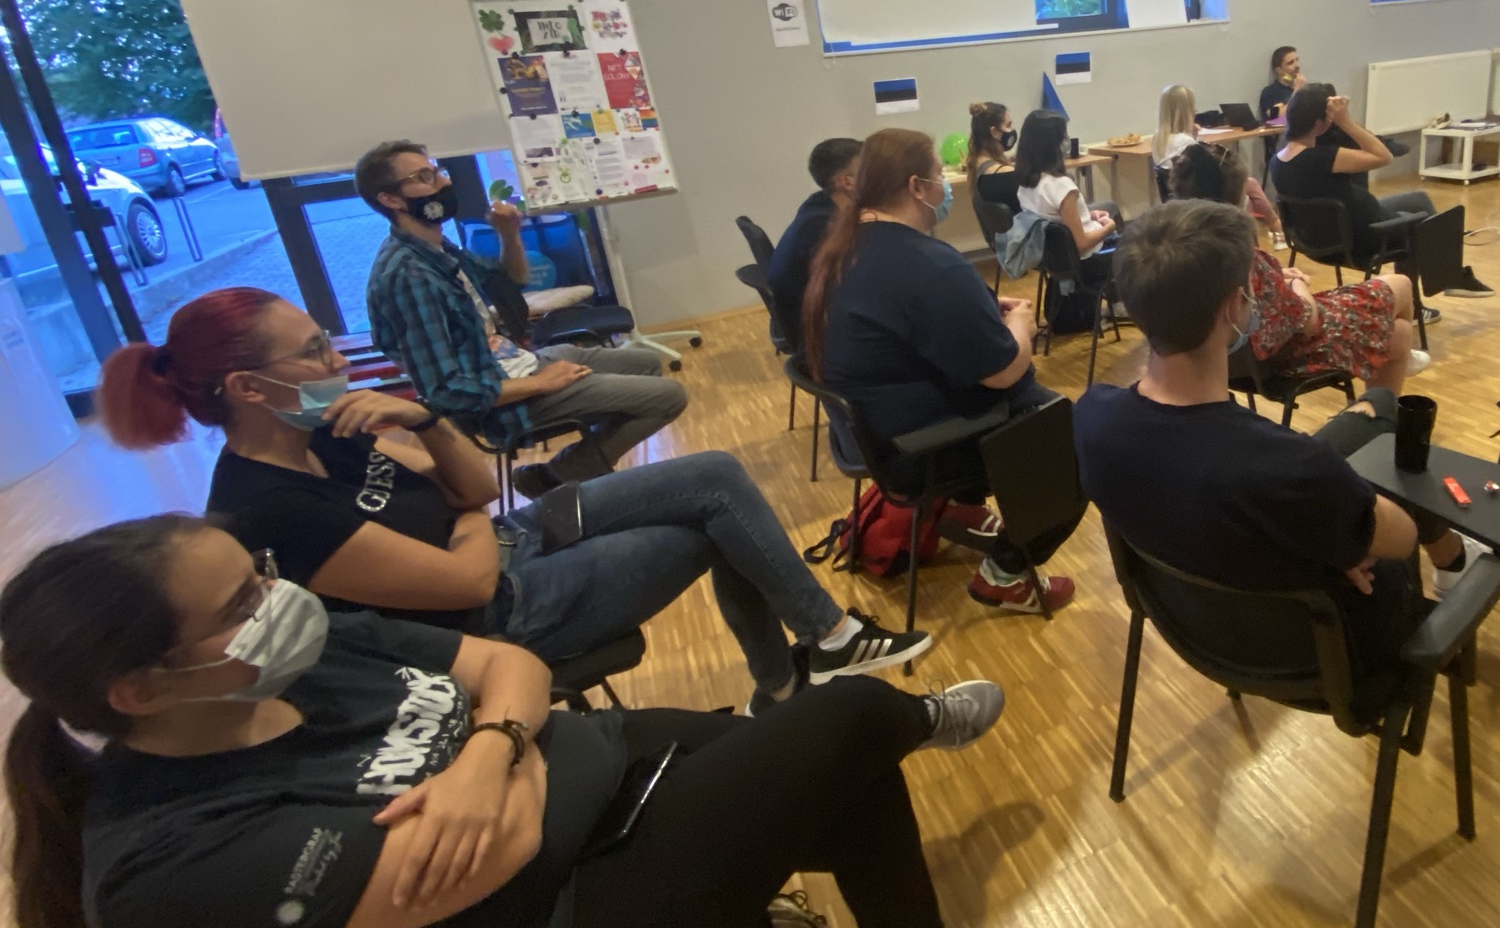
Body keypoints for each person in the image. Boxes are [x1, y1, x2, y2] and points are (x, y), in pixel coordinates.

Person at [0, 518, 1043, 928]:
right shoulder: (164, 869)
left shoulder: (295, 660)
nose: (277, 602)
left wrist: (489, 753)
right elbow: (495, 858)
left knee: (839, 759)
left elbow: (511, 667)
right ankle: (911, 735)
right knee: (847, 717)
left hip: (586, 803)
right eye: (240, 604)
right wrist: (515, 749)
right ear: (139, 689)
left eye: (260, 573)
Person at [97, 288, 926, 710]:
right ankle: (791, 677)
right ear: (247, 387)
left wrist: (426, 422)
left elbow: (465, 486)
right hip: (498, 613)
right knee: (720, 528)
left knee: (713, 477)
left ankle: (821, 646)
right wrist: (462, 511)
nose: (337, 362)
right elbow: (465, 583)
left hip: (510, 540)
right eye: (315, 351)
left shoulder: (334, 430)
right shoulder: (266, 507)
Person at [1075, 202, 1483, 716]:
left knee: (1379, 406)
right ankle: (1454, 559)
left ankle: (1371, 448)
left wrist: (1329, 535)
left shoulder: (1092, 417)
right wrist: (1339, 547)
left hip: (1194, 633)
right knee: (1385, 454)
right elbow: (1401, 540)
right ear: (1234, 306)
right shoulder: (1290, 469)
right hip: (1338, 666)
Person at [806, 128, 1079, 613]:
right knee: (1074, 440)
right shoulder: (929, 264)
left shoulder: (846, 247)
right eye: (938, 175)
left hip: (873, 434)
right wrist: (1021, 324)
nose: (945, 186)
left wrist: (979, 310)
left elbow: (912, 320)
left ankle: (959, 508)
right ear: (917, 187)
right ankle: (1004, 575)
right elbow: (1003, 372)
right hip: (920, 449)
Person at [357, 142, 686, 499]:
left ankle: (581, 470)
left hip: (516, 364)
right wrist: (541, 384)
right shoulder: (408, 277)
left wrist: (509, 233)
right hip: (507, 403)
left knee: (646, 363)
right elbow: (446, 393)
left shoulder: (437, 249)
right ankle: (560, 475)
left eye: (437, 171)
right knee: (669, 397)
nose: (443, 182)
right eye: (425, 177)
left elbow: (512, 282)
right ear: (391, 199)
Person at [1170, 143, 1424, 388]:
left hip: (1235, 362)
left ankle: (1385, 404)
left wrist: (1276, 275)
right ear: (1236, 201)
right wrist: (1296, 283)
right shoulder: (1246, 257)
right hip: (1289, 354)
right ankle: (1386, 401)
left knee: (1399, 335)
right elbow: (1309, 321)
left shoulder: (1179, 254)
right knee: (1401, 284)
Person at [1271, 85, 1492, 297]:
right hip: (1360, 238)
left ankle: (1451, 277)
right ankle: (1416, 300)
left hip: (1317, 238)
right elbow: (1384, 156)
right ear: (1319, 124)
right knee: (1419, 223)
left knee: (1418, 199)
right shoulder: (1323, 158)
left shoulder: (1278, 161)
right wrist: (1346, 121)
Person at [767, 138, 862, 353]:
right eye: (868, 171)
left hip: (812, 319)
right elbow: (854, 287)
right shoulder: (821, 228)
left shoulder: (818, 204)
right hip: (819, 339)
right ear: (847, 182)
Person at [1014, 110, 1119, 289]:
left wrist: (1086, 215)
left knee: (1110, 208)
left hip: (1056, 262)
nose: (1067, 141)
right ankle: (1117, 293)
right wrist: (1109, 228)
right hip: (1089, 262)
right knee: (1138, 245)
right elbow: (1081, 244)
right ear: (1052, 145)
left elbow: (1055, 219)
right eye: (1064, 137)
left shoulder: (1025, 185)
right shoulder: (1062, 187)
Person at [1152, 85, 1200, 169]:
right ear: (1185, 111)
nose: (1196, 109)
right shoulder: (1186, 142)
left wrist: (1193, 138)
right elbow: (1201, 172)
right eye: (1192, 105)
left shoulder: (1157, 138)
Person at [1258, 45, 1303, 124]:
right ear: (1279, 70)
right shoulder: (1270, 92)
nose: (1297, 65)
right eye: (1290, 63)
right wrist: (1297, 91)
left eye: (1297, 60)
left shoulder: (1307, 90)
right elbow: (1275, 119)